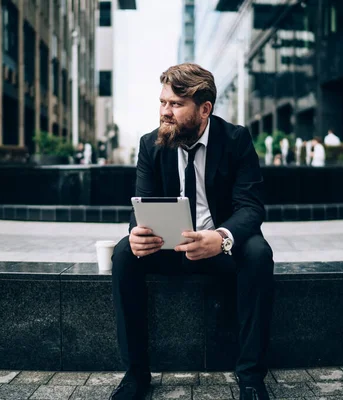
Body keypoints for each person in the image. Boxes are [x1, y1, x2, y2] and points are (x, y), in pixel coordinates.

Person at [110, 63, 274, 400]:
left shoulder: (236, 140)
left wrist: (222, 238)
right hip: (170, 250)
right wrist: (138, 234)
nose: (165, 112)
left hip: (219, 249)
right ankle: (135, 375)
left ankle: (252, 378)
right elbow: (141, 207)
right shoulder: (150, 144)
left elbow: (251, 206)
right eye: (162, 102)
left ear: (204, 109)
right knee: (125, 252)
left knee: (259, 252)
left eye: (175, 104)